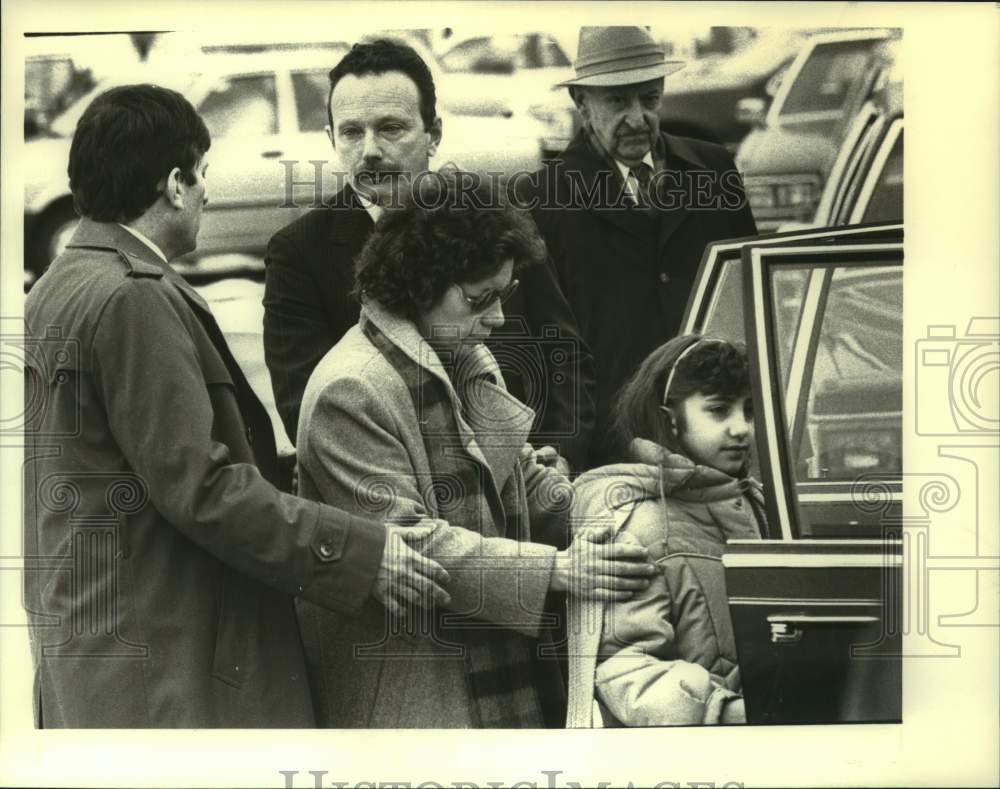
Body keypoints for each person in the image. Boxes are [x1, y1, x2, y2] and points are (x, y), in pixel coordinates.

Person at [22, 84, 451, 728]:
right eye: (202, 176)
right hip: (168, 663)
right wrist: (359, 552)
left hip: (102, 649)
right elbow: (201, 486)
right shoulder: (133, 298)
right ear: (174, 183)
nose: (206, 195)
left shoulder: (63, 283)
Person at [294, 174, 656, 728]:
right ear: (419, 284)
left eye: (504, 295)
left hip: (486, 679)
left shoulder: (463, 357)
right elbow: (410, 546)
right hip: (413, 698)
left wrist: (622, 499)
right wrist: (559, 569)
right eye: (480, 298)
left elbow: (525, 477)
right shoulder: (350, 389)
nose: (499, 319)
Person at [264, 38, 596, 471]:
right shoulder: (299, 252)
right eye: (351, 132)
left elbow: (564, 355)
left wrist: (561, 456)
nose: (369, 150)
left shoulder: (494, 218)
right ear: (331, 138)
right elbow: (308, 409)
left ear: (433, 133)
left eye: (390, 128)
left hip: (529, 485)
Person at [522, 26, 758, 465]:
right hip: (609, 451)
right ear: (581, 103)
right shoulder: (542, 200)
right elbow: (542, 347)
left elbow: (751, 299)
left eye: (649, 99)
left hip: (716, 438)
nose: (637, 118)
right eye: (617, 101)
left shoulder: (713, 168)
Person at [566, 336, 767, 727]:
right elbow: (624, 669)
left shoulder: (756, 504)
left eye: (750, 410)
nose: (741, 428)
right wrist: (721, 711)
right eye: (719, 410)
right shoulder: (641, 523)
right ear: (670, 419)